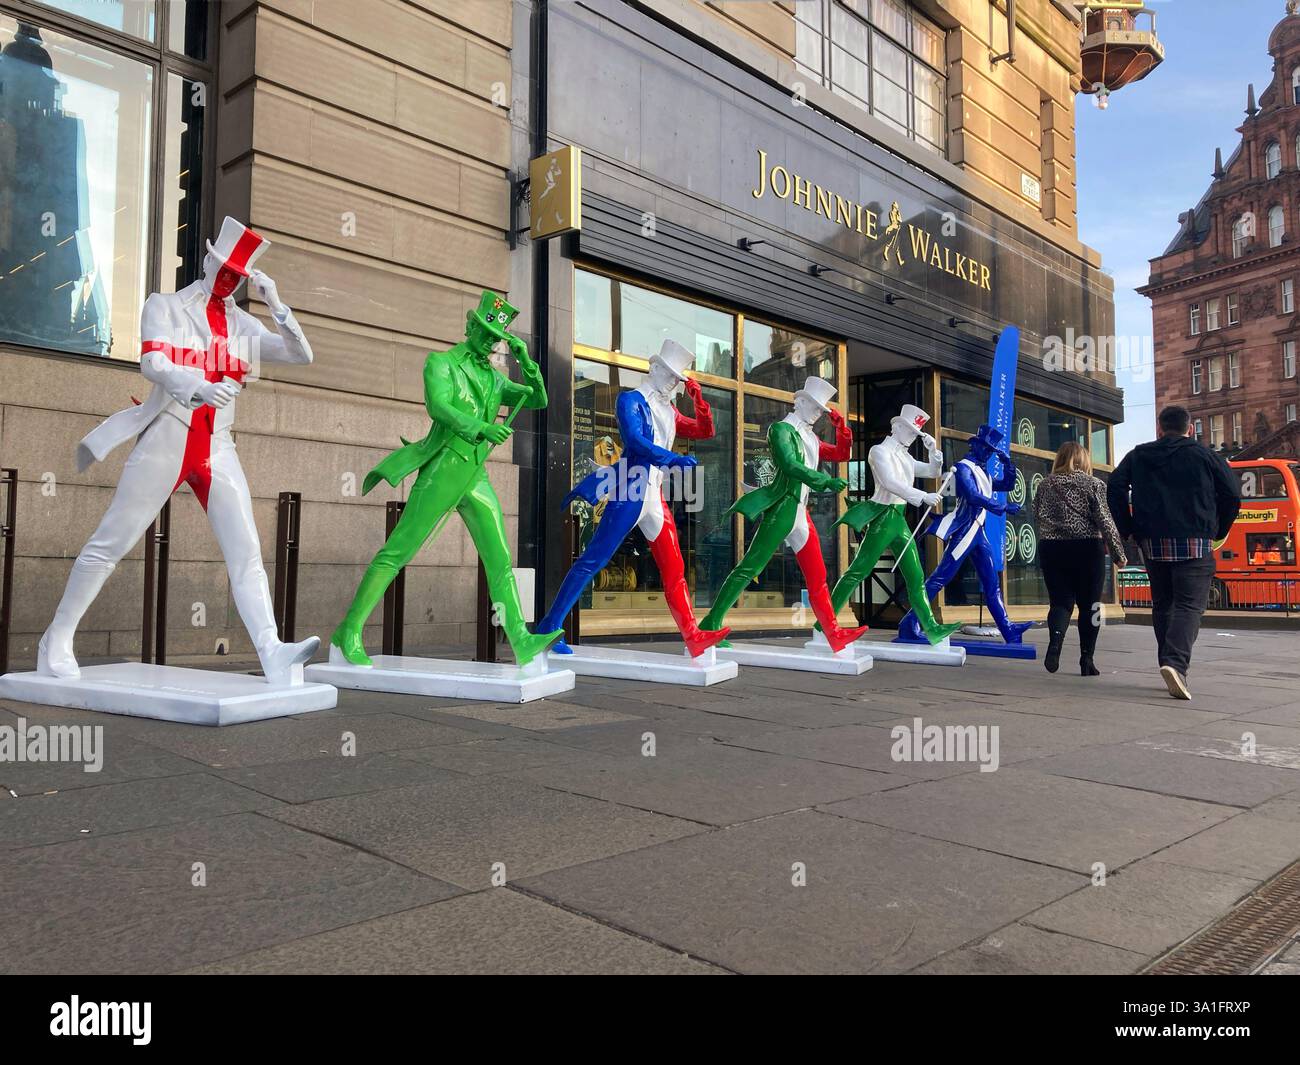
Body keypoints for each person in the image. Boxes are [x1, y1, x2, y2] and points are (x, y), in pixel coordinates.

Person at [39, 217, 320, 685]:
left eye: (238, 275)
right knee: (112, 540)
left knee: (246, 551)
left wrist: (277, 305)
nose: (229, 279)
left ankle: (272, 651)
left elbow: (300, 355)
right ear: (209, 260)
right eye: (224, 268)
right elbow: (153, 360)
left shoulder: (242, 322)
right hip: (169, 435)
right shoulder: (165, 305)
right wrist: (196, 385)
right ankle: (57, 636)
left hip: (217, 446)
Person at [330, 291, 559, 668]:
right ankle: (349, 631)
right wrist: (482, 427)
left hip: (475, 474)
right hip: (443, 467)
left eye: (495, 336)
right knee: (398, 552)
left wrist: (524, 359)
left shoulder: (495, 378)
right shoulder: (441, 363)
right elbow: (439, 406)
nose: (489, 340)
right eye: (484, 331)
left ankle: (520, 639)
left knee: (499, 558)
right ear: (470, 325)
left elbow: (538, 400)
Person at [535, 339, 729, 657]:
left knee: (675, 567)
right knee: (593, 560)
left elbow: (705, 431)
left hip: (654, 495)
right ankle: (550, 625)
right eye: (668, 375)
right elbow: (636, 443)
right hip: (630, 490)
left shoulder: (669, 410)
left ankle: (692, 634)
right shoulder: (630, 401)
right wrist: (674, 459)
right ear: (652, 369)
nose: (672, 383)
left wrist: (700, 401)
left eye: (677, 379)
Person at [699, 377, 867, 652]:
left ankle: (831, 631)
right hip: (784, 507)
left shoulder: (809, 436)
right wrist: (823, 481)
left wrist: (843, 432)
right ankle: (711, 622)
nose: (817, 413)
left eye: (820, 410)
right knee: (750, 567)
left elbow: (839, 455)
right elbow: (790, 465)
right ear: (799, 401)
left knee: (818, 575)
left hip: (799, 510)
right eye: (814, 407)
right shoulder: (781, 430)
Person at [1107, 405, 1240, 699]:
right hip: (1195, 540)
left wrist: (1127, 526)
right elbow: (1232, 495)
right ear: (1189, 429)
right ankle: (1175, 664)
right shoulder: (1206, 456)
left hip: (1152, 542)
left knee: (1163, 603)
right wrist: (1218, 528)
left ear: (1159, 428)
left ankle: (1167, 661)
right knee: (1189, 606)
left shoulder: (1139, 455)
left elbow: (1114, 486)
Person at [836, 404, 962, 645]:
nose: (913, 436)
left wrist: (934, 453)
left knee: (915, 576)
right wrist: (922, 496)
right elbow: (889, 482)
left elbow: (932, 472)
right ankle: (826, 621)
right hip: (884, 518)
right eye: (910, 431)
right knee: (858, 571)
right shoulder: (879, 451)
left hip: (899, 520)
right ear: (896, 427)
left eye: (916, 433)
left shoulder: (904, 455)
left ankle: (931, 627)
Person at [1033, 440, 1127, 676]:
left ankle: (1055, 644)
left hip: (1052, 548)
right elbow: (1105, 521)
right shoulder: (1093, 484)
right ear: (1084, 460)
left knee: (1060, 602)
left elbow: (1036, 515)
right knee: (1091, 605)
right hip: (1087, 549)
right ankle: (1087, 659)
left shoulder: (1044, 485)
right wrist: (1118, 554)